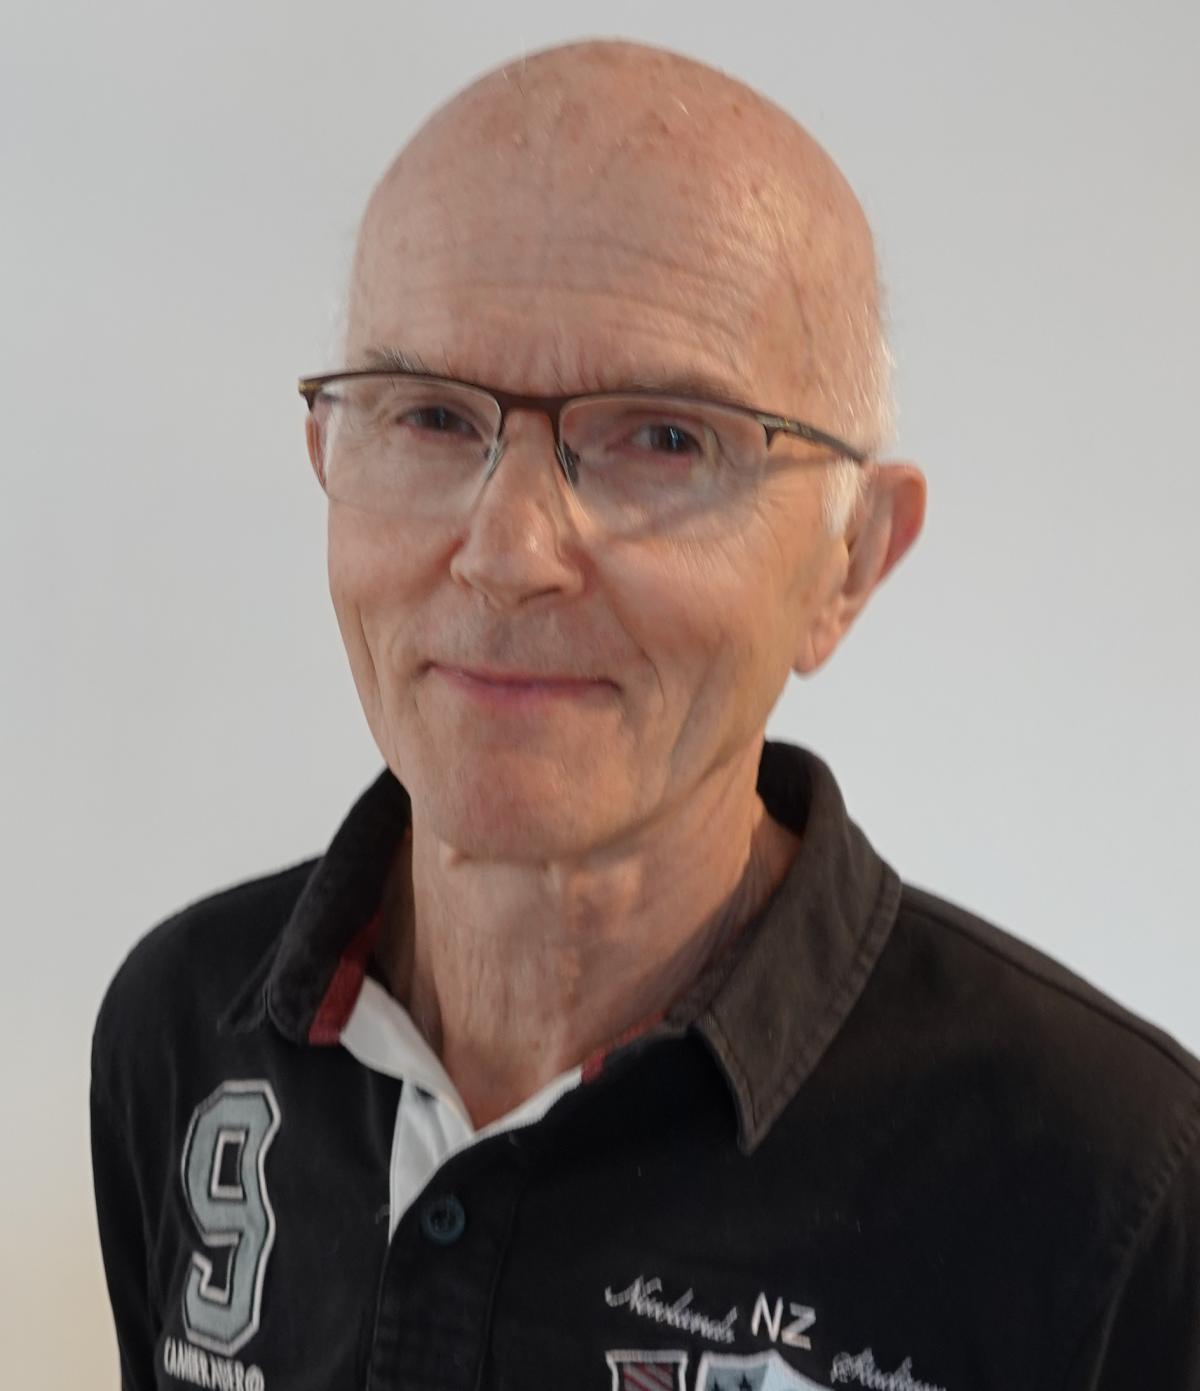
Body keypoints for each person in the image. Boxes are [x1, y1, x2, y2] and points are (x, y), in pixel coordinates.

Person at [90, 38, 1200, 1391]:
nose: (507, 553)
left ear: (850, 561)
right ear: (329, 459)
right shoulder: (182, 1030)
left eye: (665, 437)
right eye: (431, 417)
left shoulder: (1111, 1188)